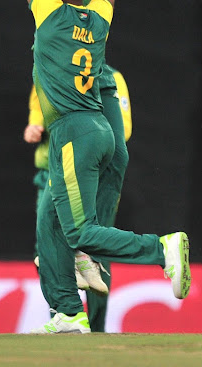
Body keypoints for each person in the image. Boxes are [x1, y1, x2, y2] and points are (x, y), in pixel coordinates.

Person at [20, 0, 190, 334]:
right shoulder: (98, 17)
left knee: (77, 231)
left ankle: (162, 249)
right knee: (50, 220)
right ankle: (66, 312)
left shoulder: (49, 18)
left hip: (73, 131)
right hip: (99, 123)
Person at [0, 0, 134, 332]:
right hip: (62, 49)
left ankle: (87, 245)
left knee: (118, 154)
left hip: (93, 58)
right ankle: (72, 273)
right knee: (56, 200)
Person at [24, 61, 132, 332]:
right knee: (47, 248)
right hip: (50, 170)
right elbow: (38, 108)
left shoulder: (110, 77)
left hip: (85, 173)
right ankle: (64, 315)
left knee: (92, 246)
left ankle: (95, 328)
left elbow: (123, 127)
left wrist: (87, 136)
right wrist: (35, 126)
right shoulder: (49, 70)